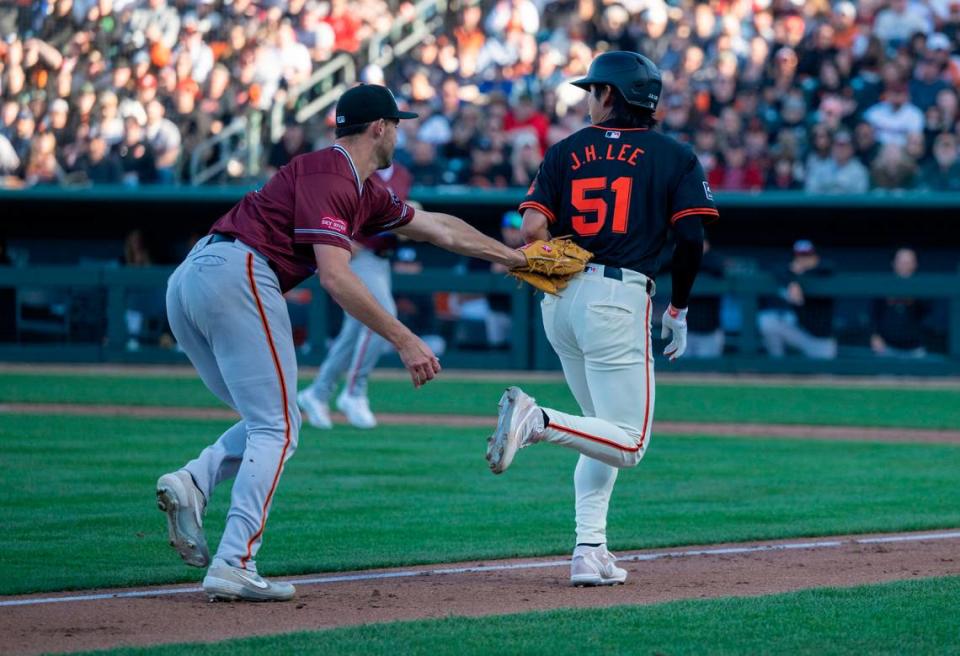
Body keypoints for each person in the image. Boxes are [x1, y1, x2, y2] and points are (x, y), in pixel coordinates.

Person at [157, 84, 526, 602]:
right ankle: (234, 561)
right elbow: (335, 275)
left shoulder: (361, 187)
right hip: (239, 271)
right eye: (397, 123)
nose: (399, 131)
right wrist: (404, 339)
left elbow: (437, 228)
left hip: (194, 277)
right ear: (379, 127)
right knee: (278, 427)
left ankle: (193, 481)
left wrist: (514, 258)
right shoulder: (332, 172)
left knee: (272, 421)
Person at [484, 52, 716, 586]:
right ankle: (536, 420)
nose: (589, 98)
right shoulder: (673, 155)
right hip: (617, 298)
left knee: (600, 433)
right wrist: (679, 306)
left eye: (594, 90)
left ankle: (590, 551)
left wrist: (558, 258)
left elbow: (532, 231)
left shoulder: (566, 149)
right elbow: (691, 240)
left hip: (560, 299)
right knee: (629, 442)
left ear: (611, 95)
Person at [297, 160, 414, 429]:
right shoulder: (359, 169)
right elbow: (322, 205)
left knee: (355, 328)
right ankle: (354, 391)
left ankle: (318, 392)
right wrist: (341, 238)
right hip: (356, 254)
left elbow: (398, 212)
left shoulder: (402, 173)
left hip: (382, 257)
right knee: (381, 316)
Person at [757, 240, 836, 359]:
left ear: (816, 257)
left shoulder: (823, 272)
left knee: (825, 375)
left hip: (820, 339)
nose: (804, 260)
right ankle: (778, 367)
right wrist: (792, 281)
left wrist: (802, 275)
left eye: (808, 255)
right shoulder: (790, 274)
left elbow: (828, 266)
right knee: (767, 322)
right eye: (800, 256)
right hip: (799, 331)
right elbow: (776, 269)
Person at [871, 247, 928, 358]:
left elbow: (927, 314)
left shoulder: (924, 288)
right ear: (893, 263)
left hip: (914, 350)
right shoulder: (882, 287)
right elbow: (873, 315)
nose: (904, 266)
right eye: (901, 262)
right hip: (886, 349)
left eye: (908, 262)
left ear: (915, 264)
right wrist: (874, 336)